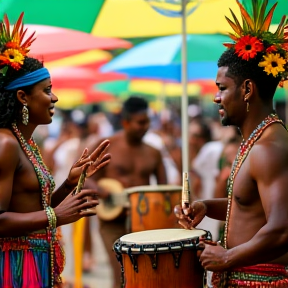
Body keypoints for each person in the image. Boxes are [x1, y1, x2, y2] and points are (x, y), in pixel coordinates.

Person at [175, 1, 288, 287]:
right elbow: (250, 205)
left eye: (222, 88)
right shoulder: (257, 140)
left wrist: (227, 258)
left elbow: (283, 228)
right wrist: (205, 206)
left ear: (248, 89)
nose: (216, 98)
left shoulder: (269, 148)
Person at [0, 13, 111, 288]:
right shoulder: (6, 144)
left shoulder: (25, 142)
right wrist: (57, 216)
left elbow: (33, 209)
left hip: (36, 262)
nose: (55, 97)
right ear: (23, 97)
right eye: (47, 90)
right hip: (13, 268)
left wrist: (69, 184)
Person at [88, 96, 167, 288]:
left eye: (147, 122)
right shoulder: (106, 145)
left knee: (144, 274)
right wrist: (99, 190)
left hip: (143, 221)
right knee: (121, 273)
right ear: (125, 122)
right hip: (112, 221)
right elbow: (82, 178)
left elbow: (165, 190)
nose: (145, 127)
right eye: (140, 123)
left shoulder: (154, 152)